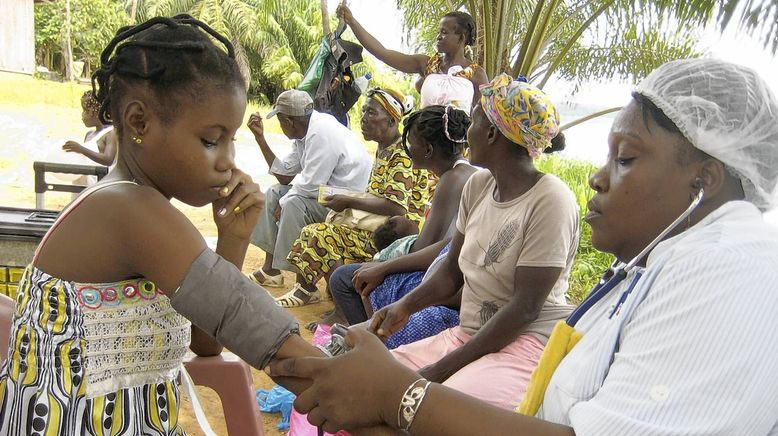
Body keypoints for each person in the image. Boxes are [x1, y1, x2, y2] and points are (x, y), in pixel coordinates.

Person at [270, 58, 778, 436]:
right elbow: (449, 267)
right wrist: (403, 331)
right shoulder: (670, 262)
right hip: (475, 332)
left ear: (704, 182)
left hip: (511, 342)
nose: (599, 179)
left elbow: (525, 312)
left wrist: (404, 394)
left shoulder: (729, 274)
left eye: (625, 158)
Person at [0, 15, 322, 435]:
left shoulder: (141, 207)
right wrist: (369, 394)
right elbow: (256, 329)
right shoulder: (127, 208)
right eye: (210, 140)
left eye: (232, 140)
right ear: (139, 123)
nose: (227, 161)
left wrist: (234, 238)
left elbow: (205, 342)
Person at [328, 105, 479, 337]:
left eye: (411, 144)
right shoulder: (468, 173)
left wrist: (383, 266)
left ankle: (374, 343)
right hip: (455, 275)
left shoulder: (452, 180)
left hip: (448, 280)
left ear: (428, 150)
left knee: (344, 278)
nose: (408, 149)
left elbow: (426, 248)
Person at [278, 88, 426, 309]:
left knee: (318, 234)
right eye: (364, 111)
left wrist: (348, 201)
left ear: (391, 120)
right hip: (383, 227)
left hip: (397, 235)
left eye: (371, 113)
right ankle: (336, 297)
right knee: (328, 226)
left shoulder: (400, 155)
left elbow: (396, 207)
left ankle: (344, 309)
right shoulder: (385, 149)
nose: (363, 118)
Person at [246, 89, 372, 289]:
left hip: (349, 207)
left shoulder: (321, 133)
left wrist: (285, 202)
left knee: (294, 204)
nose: (281, 126)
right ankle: (271, 271)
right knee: (274, 193)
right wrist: (261, 139)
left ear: (289, 121)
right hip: (330, 197)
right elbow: (285, 175)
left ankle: (306, 286)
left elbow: (312, 185)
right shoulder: (304, 133)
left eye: (280, 121)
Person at [336, 5, 488, 110]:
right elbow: (382, 52)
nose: (438, 37)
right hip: (423, 145)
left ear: (461, 38)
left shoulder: (476, 74)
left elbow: (484, 116)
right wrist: (352, 22)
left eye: (444, 32)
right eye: (438, 32)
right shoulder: (427, 64)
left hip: (457, 151)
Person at [62, 90, 118, 167]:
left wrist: (81, 149)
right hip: (86, 177)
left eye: (86, 110)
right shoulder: (89, 134)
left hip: (99, 178)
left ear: (98, 111)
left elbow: (108, 159)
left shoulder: (111, 133)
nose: (83, 114)